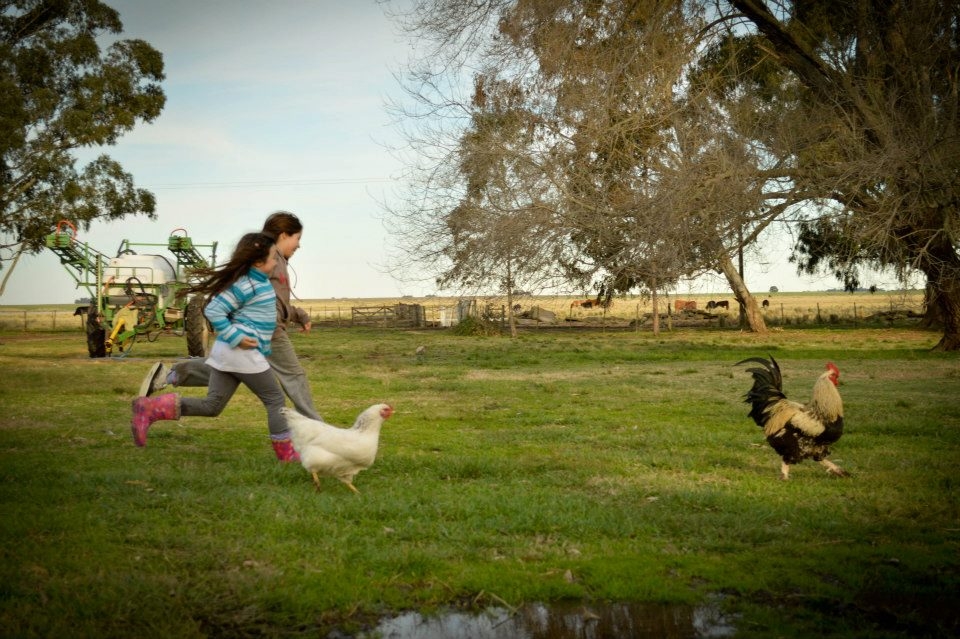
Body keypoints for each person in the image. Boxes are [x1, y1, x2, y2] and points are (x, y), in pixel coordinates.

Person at [130, 232, 300, 461]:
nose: (275, 262)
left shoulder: (258, 281)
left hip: (230, 354)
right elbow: (213, 310)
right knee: (275, 400)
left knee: (213, 406)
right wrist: (236, 336)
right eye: (272, 258)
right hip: (243, 354)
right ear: (258, 262)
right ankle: (286, 453)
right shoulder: (246, 284)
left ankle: (150, 409)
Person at [139, 211, 323, 422]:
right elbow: (264, 299)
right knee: (293, 377)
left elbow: (276, 302)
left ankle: (170, 375)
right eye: (297, 238)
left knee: (229, 371)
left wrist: (299, 315)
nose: (298, 245)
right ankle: (316, 426)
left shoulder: (273, 261)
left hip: (259, 331)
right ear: (283, 235)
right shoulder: (272, 262)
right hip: (269, 333)